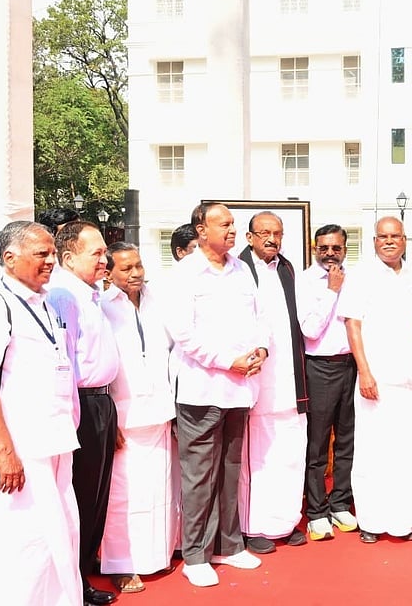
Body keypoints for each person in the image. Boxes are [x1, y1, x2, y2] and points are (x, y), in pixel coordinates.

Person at [0, 221, 83, 605]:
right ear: (10, 257)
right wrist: (5, 451)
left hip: (57, 439)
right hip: (22, 447)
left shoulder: (45, 302)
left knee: (60, 534)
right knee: (24, 543)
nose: (52, 260)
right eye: (42, 254)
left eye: (52, 252)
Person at [164, 202, 269, 587]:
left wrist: (261, 349)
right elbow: (184, 334)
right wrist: (229, 361)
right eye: (223, 224)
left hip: (240, 389)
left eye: (233, 224)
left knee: (230, 470)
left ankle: (229, 543)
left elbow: (262, 317)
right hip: (201, 389)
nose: (231, 230)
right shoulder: (184, 273)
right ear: (200, 229)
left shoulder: (242, 269)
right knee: (199, 475)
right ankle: (195, 554)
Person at [338, 216, 412, 543]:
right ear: (374, 241)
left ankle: (403, 520)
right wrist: (364, 370)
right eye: (383, 237)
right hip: (374, 379)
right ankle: (372, 521)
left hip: (410, 378)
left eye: (396, 236)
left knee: (405, 450)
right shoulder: (361, 276)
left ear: (405, 240)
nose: (389, 242)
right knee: (372, 451)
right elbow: (353, 325)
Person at [47, 221, 121, 606]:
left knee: (96, 496)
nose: (104, 260)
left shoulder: (91, 295)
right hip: (82, 404)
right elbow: (66, 362)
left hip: (102, 403)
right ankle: (75, 580)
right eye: (95, 253)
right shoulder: (64, 297)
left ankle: (84, 572)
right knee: (80, 495)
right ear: (69, 256)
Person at [99, 243, 178, 595]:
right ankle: (121, 563)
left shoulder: (158, 300)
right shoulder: (102, 308)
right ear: (109, 273)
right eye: (126, 268)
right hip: (123, 418)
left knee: (161, 489)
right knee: (123, 496)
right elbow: (98, 367)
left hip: (160, 412)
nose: (135, 273)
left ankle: (158, 554)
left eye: (139, 265)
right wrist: (108, 418)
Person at [237, 211, 309, 552]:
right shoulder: (238, 270)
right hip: (258, 380)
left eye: (277, 233)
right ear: (249, 237)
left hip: (290, 379)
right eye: (264, 232)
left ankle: (286, 521)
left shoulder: (287, 269)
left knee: (290, 452)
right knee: (259, 457)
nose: (271, 238)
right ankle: (255, 527)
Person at [298, 224, 359, 541]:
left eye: (336, 247)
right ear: (314, 248)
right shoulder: (306, 281)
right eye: (324, 248)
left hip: (351, 364)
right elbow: (309, 329)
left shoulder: (356, 277)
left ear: (345, 247)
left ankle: (340, 503)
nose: (330, 253)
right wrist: (331, 290)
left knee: (348, 440)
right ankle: (316, 511)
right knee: (318, 443)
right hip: (319, 367)